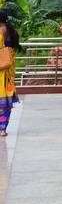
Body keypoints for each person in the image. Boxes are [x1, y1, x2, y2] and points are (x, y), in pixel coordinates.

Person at [0, 9, 20, 137]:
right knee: (6, 102)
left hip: (1, 72)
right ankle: (3, 128)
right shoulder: (12, 31)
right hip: (9, 73)